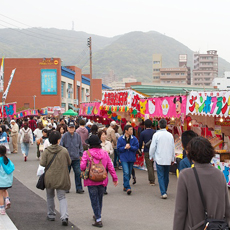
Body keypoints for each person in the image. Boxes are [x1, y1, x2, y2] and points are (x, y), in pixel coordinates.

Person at [173, 136, 230, 230]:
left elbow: (180, 211)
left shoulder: (185, 176)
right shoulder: (219, 174)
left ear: (191, 154)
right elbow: (227, 208)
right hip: (217, 227)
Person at [80, 135, 118, 227]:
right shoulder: (104, 153)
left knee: (94, 199)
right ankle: (98, 214)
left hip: (91, 179)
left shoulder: (87, 153)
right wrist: (114, 178)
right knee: (99, 198)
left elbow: (82, 167)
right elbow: (110, 166)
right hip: (102, 178)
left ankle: (98, 219)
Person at [40, 131, 71, 226]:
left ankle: (51, 214)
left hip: (49, 177)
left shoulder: (46, 151)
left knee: (50, 196)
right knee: (62, 197)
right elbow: (69, 162)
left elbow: (42, 164)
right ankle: (64, 216)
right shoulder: (64, 150)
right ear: (58, 140)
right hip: (61, 177)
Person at [149, 119, 175, 199]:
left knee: (160, 175)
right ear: (166, 125)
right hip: (168, 157)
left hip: (159, 157)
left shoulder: (156, 135)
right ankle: (165, 190)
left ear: (159, 125)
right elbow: (172, 147)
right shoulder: (170, 135)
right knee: (166, 175)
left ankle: (163, 192)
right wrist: (172, 158)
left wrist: (151, 156)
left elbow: (153, 147)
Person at [60, 121, 84, 194]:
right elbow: (61, 146)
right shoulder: (64, 136)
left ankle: (79, 188)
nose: (71, 129)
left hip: (76, 158)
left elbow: (80, 146)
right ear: (67, 128)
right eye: (70, 127)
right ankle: (66, 187)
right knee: (66, 174)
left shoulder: (77, 136)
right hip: (67, 158)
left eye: (72, 127)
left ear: (74, 128)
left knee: (78, 173)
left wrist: (81, 155)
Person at [117, 125, 139, 195]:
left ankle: (125, 184)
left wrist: (130, 147)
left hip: (131, 158)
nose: (132, 131)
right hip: (124, 158)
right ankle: (128, 187)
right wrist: (124, 148)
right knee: (126, 172)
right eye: (130, 130)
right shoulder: (120, 139)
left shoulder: (134, 139)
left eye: (132, 130)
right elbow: (118, 148)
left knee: (129, 173)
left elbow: (136, 147)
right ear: (126, 131)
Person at [139, 119, 156, 185]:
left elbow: (140, 142)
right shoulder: (155, 132)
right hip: (154, 150)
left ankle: (152, 180)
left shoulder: (143, 133)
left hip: (147, 150)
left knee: (149, 165)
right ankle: (153, 178)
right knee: (152, 164)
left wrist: (139, 149)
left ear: (145, 125)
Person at [98, 130, 114, 195]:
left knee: (105, 175)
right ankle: (100, 188)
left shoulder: (108, 143)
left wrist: (109, 152)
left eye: (105, 135)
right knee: (100, 175)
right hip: (100, 162)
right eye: (103, 135)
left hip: (107, 161)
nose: (104, 136)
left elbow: (112, 150)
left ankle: (104, 188)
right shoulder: (98, 143)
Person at [0, 145, 14, 215]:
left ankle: (2, 209)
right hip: (7, 181)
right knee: (5, 190)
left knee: (0, 195)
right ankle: (7, 199)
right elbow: (12, 168)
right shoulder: (7, 160)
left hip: (0, 182)